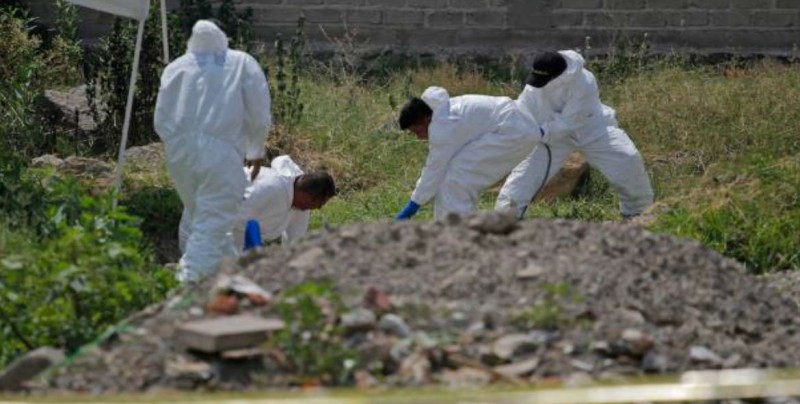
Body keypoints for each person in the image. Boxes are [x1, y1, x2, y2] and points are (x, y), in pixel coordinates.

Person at [154, 20, 271, 282]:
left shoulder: (175, 67)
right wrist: (255, 149)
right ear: (223, 36)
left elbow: (160, 117)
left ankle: (232, 276)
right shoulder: (240, 62)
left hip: (178, 154)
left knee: (208, 221)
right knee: (211, 224)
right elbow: (259, 114)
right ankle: (186, 284)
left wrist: (177, 143)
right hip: (220, 152)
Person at [496, 50, 654, 220]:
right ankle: (506, 217)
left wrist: (541, 131)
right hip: (551, 137)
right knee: (525, 173)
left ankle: (638, 213)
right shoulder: (535, 85)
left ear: (560, 75)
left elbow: (572, 120)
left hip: (592, 129)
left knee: (627, 159)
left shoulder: (584, 81)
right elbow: (524, 110)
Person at [395, 86, 542, 220]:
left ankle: (457, 233)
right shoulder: (445, 109)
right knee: (454, 174)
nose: (418, 137)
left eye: (417, 131)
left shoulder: (443, 127)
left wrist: (413, 205)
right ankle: (451, 231)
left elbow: (434, 169)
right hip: (516, 125)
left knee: (457, 179)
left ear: (427, 120)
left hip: (513, 133)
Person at [232, 155, 336, 250]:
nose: (318, 208)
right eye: (320, 204)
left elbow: (295, 242)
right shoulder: (269, 189)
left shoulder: (301, 207)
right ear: (308, 198)